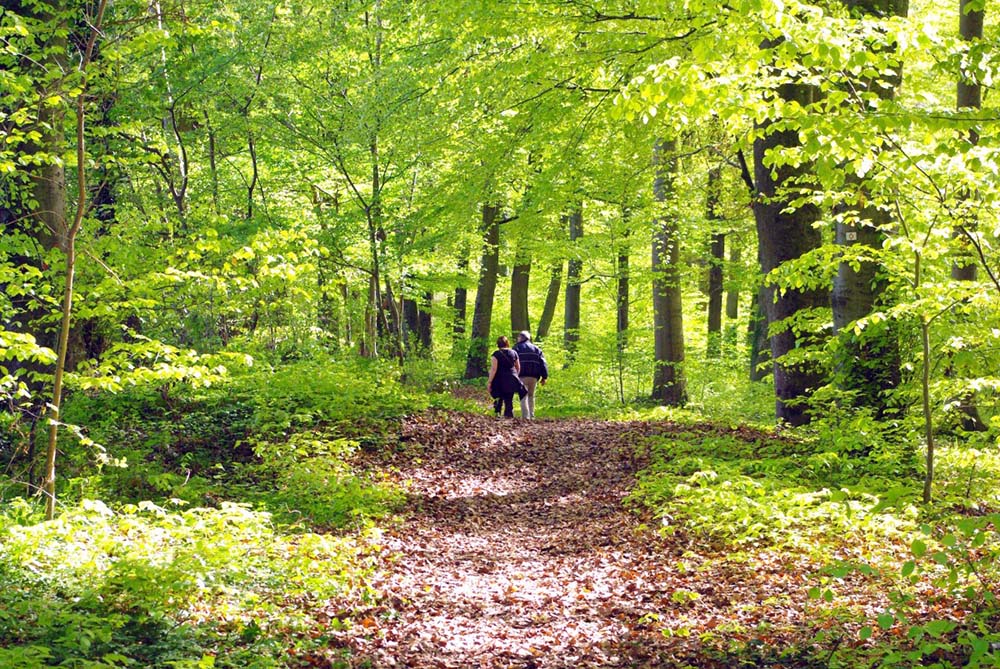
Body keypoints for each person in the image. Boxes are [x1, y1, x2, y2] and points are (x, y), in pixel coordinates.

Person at [486, 335, 527, 418]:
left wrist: (490, 381)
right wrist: (515, 375)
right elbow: (518, 367)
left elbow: (494, 369)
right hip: (511, 378)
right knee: (509, 399)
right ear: (507, 343)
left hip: (499, 379)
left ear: (498, 344)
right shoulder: (514, 353)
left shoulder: (496, 354)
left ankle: (497, 414)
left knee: (498, 397)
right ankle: (509, 416)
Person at [513, 330, 548, 419]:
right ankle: (532, 415)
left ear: (521, 338)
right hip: (533, 376)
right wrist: (544, 377)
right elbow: (543, 363)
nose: (517, 339)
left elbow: (512, 362)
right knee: (531, 395)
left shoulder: (516, 348)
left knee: (523, 396)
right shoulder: (537, 349)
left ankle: (525, 416)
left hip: (521, 375)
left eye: (518, 337)